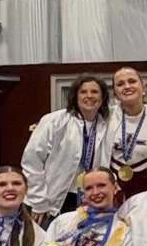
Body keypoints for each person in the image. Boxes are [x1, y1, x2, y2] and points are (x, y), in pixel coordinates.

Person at [22, 74, 112, 226]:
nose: (89, 96)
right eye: (83, 92)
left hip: (90, 198)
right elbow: (32, 162)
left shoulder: (107, 124)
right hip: (53, 202)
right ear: (75, 96)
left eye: (95, 92)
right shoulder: (54, 121)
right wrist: (38, 201)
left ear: (103, 97)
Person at [107, 67, 147, 199]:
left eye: (132, 81)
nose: (127, 86)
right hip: (114, 191)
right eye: (120, 84)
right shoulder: (106, 118)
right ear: (115, 93)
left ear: (144, 88)